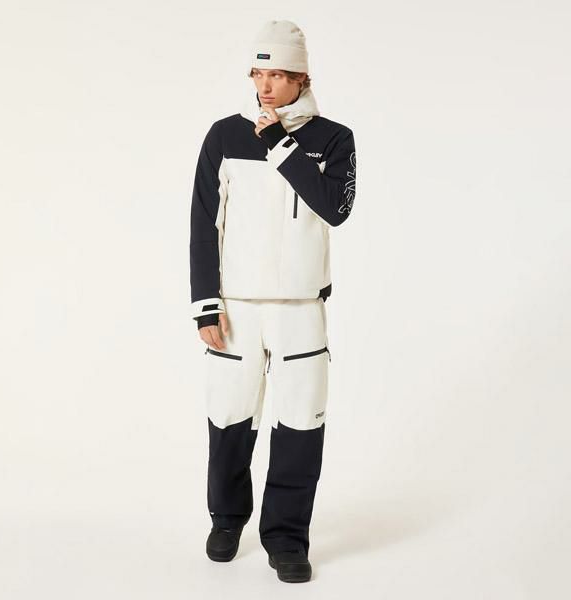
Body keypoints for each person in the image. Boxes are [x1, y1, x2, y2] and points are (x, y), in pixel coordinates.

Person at [189, 19, 356, 583]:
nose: (264, 86)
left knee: (301, 424)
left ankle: (286, 537)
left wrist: (281, 145)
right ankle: (227, 519)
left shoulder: (333, 139)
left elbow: (335, 208)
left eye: (278, 75)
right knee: (229, 418)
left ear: (301, 77)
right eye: (258, 74)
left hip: (301, 309)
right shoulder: (223, 136)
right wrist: (205, 303)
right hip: (237, 309)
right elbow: (203, 223)